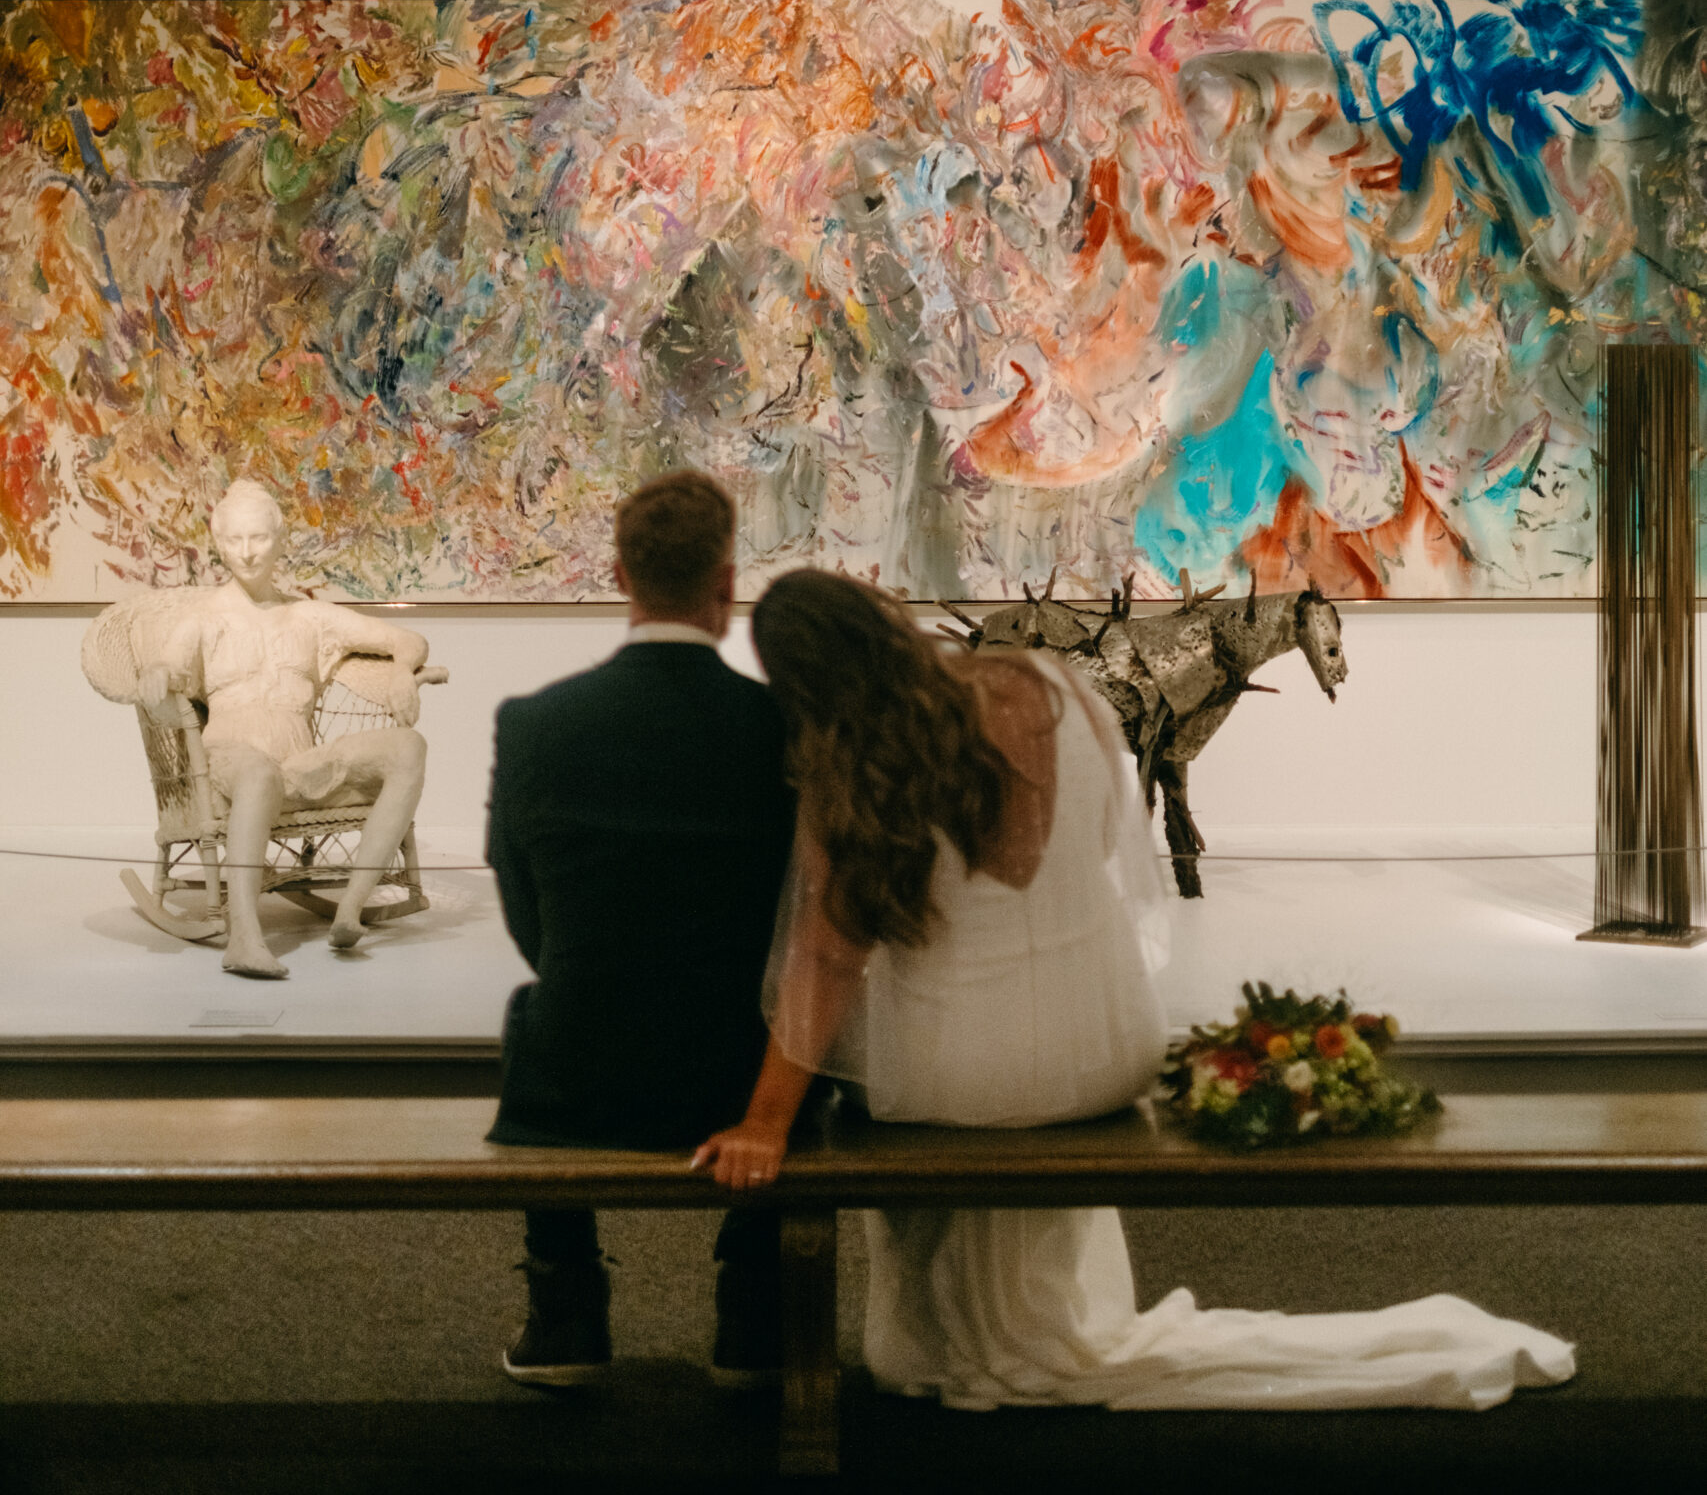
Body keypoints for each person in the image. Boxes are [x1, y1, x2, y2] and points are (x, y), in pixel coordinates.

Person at [694, 571, 1575, 1414]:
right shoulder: (1047, 684)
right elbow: (1105, 853)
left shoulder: (863, 759)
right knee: (965, 1043)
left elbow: (825, 959)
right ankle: (1011, 1314)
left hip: (956, 1078)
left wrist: (764, 1123)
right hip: (1104, 1044)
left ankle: (960, 1326)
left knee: (866, 1069)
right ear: (888, 622)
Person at [486, 470, 796, 1392]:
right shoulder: (779, 724)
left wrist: (583, 970)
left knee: (536, 1010)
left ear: (620, 575)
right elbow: (804, 907)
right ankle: (752, 1312)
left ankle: (566, 1311)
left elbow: (523, 901)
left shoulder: (535, 724)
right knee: (790, 1024)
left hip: (584, 1066)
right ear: (727, 582)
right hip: (741, 1064)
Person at [93, 477, 438, 979]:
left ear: (279, 540)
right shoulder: (204, 619)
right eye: (234, 540)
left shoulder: (311, 617)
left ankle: (349, 909)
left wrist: (403, 673)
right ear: (219, 543)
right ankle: (244, 937)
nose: (247, 552)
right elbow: (167, 665)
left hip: (300, 766)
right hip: (232, 764)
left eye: (257, 538)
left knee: (408, 747)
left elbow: (408, 640)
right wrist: (157, 675)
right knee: (259, 774)